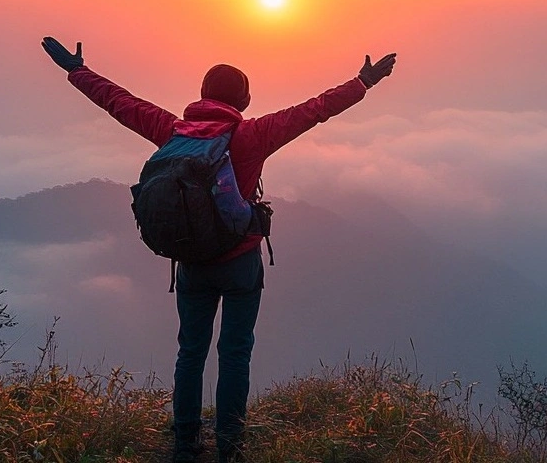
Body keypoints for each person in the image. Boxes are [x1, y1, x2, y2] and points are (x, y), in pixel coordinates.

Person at [41, 36, 396, 462]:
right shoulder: (252, 135)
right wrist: (363, 82)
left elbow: (120, 102)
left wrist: (77, 71)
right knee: (235, 354)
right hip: (240, 262)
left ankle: (185, 443)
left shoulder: (172, 131)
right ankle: (229, 445)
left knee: (190, 352)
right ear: (243, 100)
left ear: (203, 96)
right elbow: (314, 110)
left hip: (191, 260)